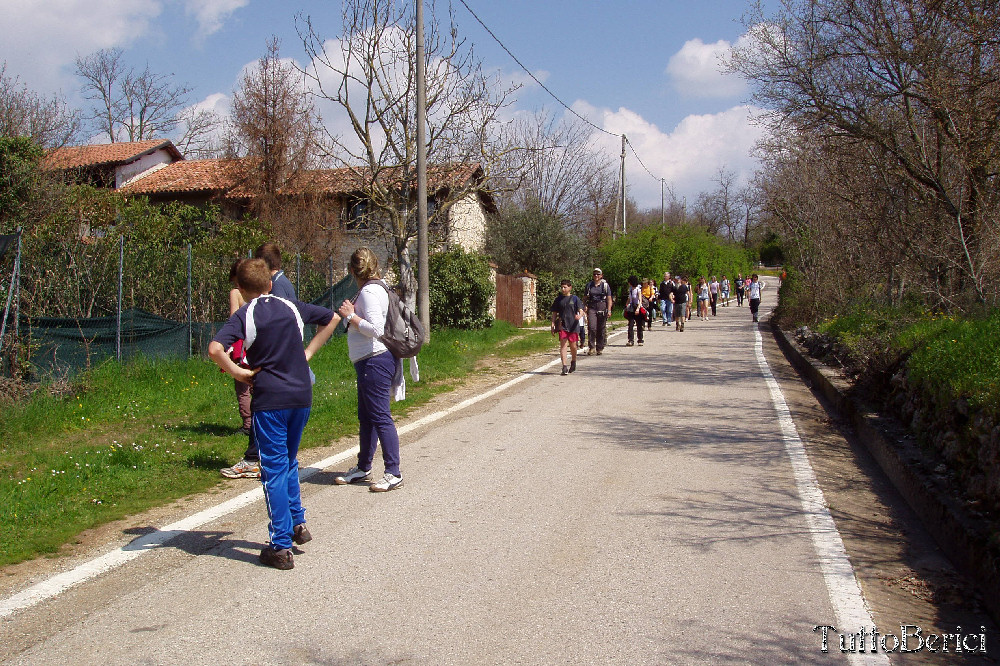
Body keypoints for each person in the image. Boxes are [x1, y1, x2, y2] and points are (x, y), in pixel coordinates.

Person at [209, 258, 340, 570]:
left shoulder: (244, 314)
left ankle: (280, 545)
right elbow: (332, 317)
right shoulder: (291, 306)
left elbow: (215, 349)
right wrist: (309, 351)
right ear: (270, 282)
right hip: (301, 396)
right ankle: (298, 522)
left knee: (274, 470)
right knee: (290, 459)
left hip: (271, 400)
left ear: (240, 289)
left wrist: (239, 373)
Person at [332, 248, 405, 492]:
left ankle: (393, 472)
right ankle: (363, 467)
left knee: (381, 416)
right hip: (369, 360)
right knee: (367, 417)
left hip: (376, 359)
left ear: (351, 270)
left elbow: (376, 329)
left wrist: (351, 317)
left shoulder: (370, 292)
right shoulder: (374, 289)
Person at [220, 259, 261, 480]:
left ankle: (248, 423)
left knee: (243, 385)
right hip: (255, 339)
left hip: (241, 340)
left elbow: (234, 316)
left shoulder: (236, 293)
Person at [550, 279, 584, 375]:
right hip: (563, 325)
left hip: (573, 325)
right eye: (562, 287)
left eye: (565, 287)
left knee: (573, 346)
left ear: (570, 288)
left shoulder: (575, 299)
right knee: (563, 345)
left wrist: (579, 316)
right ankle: (564, 366)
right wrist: (552, 324)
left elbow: (581, 310)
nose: (563, 289)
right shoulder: (558, 299)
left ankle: (573, 361)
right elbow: (554, 313)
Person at [583, 268, 612, 355]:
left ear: (601, 276)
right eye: (594, 274)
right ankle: (591, 347)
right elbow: (585, 297)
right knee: (592, 327)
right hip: (592, 307)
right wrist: (584, 306)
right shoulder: (589, 286)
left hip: (602, 306)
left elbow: (609, 299)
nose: (596, 276)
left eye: (598, 274)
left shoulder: (605, 286)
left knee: (601, 328)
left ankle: (599, 347)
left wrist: (609, 310)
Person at [624, 275, 644, 346]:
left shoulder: (638, 289)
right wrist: (626, 305)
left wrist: (638, 308)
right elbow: (629, 299)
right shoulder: (630, 289)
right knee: (630, 325)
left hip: (637, 307)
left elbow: (640, 300)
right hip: (631, 308)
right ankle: (630, 340)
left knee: (639, 324)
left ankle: (640, 340)